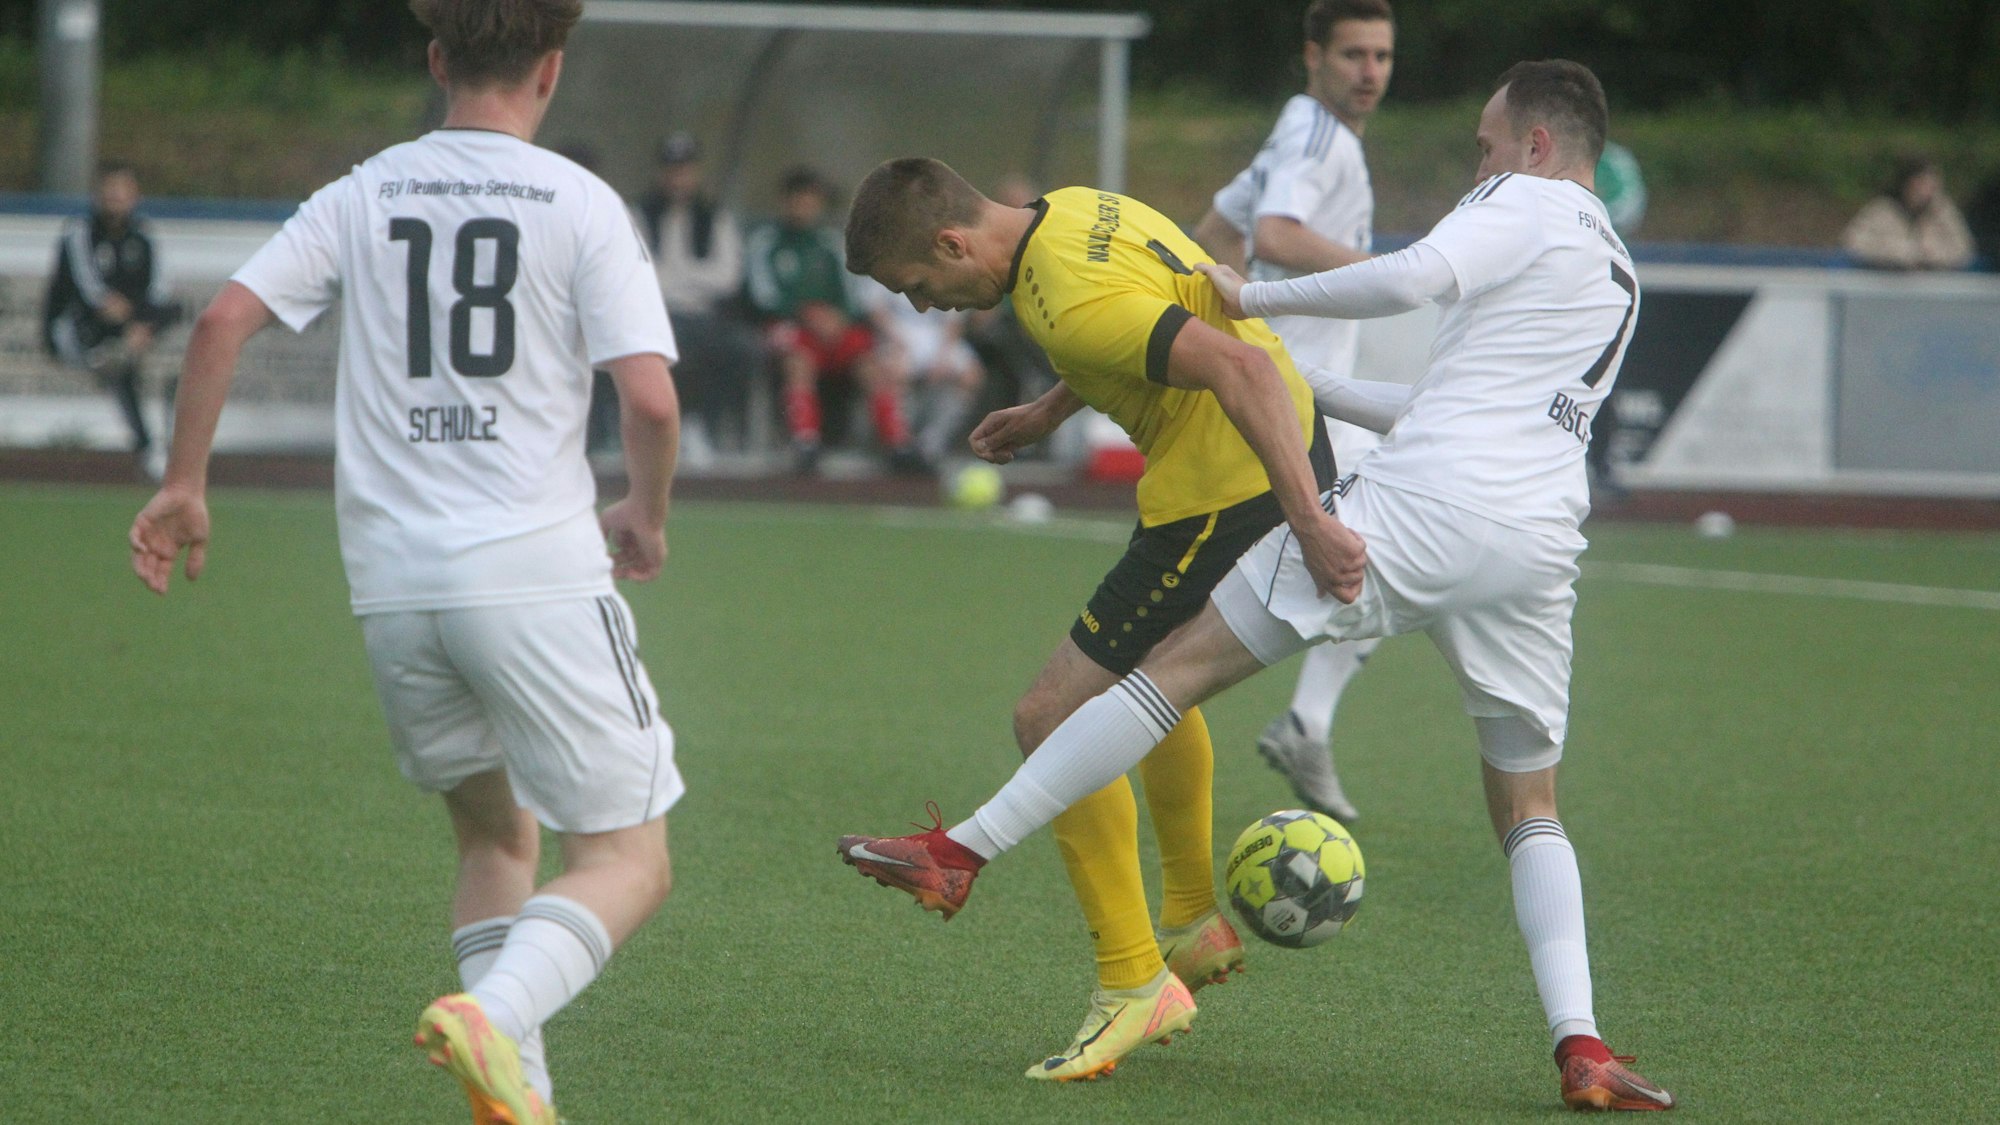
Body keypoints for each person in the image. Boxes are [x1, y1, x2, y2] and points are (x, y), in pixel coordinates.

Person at [839, 60, 1676, 1112]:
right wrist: (1296, 371)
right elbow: (1443, 401)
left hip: (1413, 507)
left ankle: (961, 852)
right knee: (1528, 808)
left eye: (1483, 144)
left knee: (1153, 679)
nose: (1478, 162)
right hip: (1537, 537)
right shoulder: (1616, 269)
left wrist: (1256, 301)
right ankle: (1581, 1046)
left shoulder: (1521, 199)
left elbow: (1408, 278)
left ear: (1536, 145)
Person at [127, 2, 684, 1122]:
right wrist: (644, 511)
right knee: (629, 859)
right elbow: (651, 399)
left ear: (437, 62)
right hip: (531, 574)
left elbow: (221, 322)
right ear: (551, 69)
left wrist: (185, 484)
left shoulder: (366, 188)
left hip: (393, 588)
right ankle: (497, 1019)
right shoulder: (578, 201)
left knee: (493, 832)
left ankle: (511, 1096)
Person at [838, 156, 1361, 1081]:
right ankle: (1193, 918)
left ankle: (1133, 982)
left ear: (954, 243)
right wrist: (1048, 409)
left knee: (1050, 715)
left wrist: (1313, 523)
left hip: (1228, 485)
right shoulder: (1074, 211)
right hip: (1239, 463)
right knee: (1150, 678)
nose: (925, 308)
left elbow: (1234, 363)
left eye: (918, 286)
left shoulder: (1063, 296)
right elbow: (1159, 314)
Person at [1191, 0, 1396, 825]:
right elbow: (1274, 231)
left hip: (1292, 391)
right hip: (1302, 396)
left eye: (1381, 55)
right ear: (1314, 55)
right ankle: (1303, 720)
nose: (1370, 71)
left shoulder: (1299, 135)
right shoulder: (1317, 136)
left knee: (1380, 561)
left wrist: (1213, 308)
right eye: (1353, 53)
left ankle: (1307, 721)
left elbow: (1213, 232)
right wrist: (1393, 272)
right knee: (1388, 560)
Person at [745, 167, 918, 472]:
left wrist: (840, 318)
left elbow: (852, 294)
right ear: (785, 201)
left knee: (871, 364)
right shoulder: (765, 242)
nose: (806, 206)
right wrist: (805, 313)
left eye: (812, 200)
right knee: (798, 360)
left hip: (836, 329)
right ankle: (806, 443)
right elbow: (762, 295)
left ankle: (898, 445)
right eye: (799, 199)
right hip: (789, 327)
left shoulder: (830, 244)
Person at [42, 161, 182, 478]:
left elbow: (159, 292)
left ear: (135, 195)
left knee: (174, 312)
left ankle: (120, 356)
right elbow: (91, 293)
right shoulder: (78, 233)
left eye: (123, 189)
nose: (115, 196)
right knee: (121, 363)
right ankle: (147, 445)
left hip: (128, 331)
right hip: (78, 330)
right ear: (96, 193)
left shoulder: (144, 237)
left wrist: (141, 325)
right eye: (109, 188)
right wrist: (130, 320)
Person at [635, 132, 760, 458]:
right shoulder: (639, 214)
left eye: (685, 170)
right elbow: (640, 274)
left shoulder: (715, 217)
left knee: (742, 350)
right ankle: (669, 429)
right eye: (672, 170)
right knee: (673, 344)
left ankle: (710, 428)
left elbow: (727, 276)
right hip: (657, 314)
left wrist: (678, 277)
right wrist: (689, 280)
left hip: (708, 314)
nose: (678, 179)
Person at [1843, 156, 1975, 271]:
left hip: (1935, 287)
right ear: (1907, 184)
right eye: (1920, 184)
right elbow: (1852, 244)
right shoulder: (1882, 211)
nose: (1925, 192)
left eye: (1931, 185)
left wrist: (1934, 256)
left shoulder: (1943, 213)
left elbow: (1964, 251)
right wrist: (1894, 255)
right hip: (1887, 286)